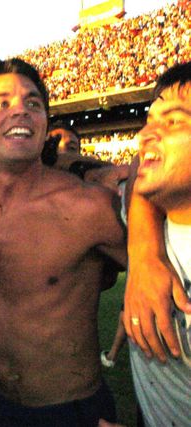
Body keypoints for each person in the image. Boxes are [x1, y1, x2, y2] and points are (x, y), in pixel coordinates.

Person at [0, 58, 126, 426]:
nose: (21, 111)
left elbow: (169, 265)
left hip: (70, 409)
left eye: (33, 104)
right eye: (2, 102)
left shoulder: (88, 207)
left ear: (45, 125)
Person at [122, 61, 191, 427]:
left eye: (174, 120)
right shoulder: (147, 208)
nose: (146, 134)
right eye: (149, 119)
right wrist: (143, 250)